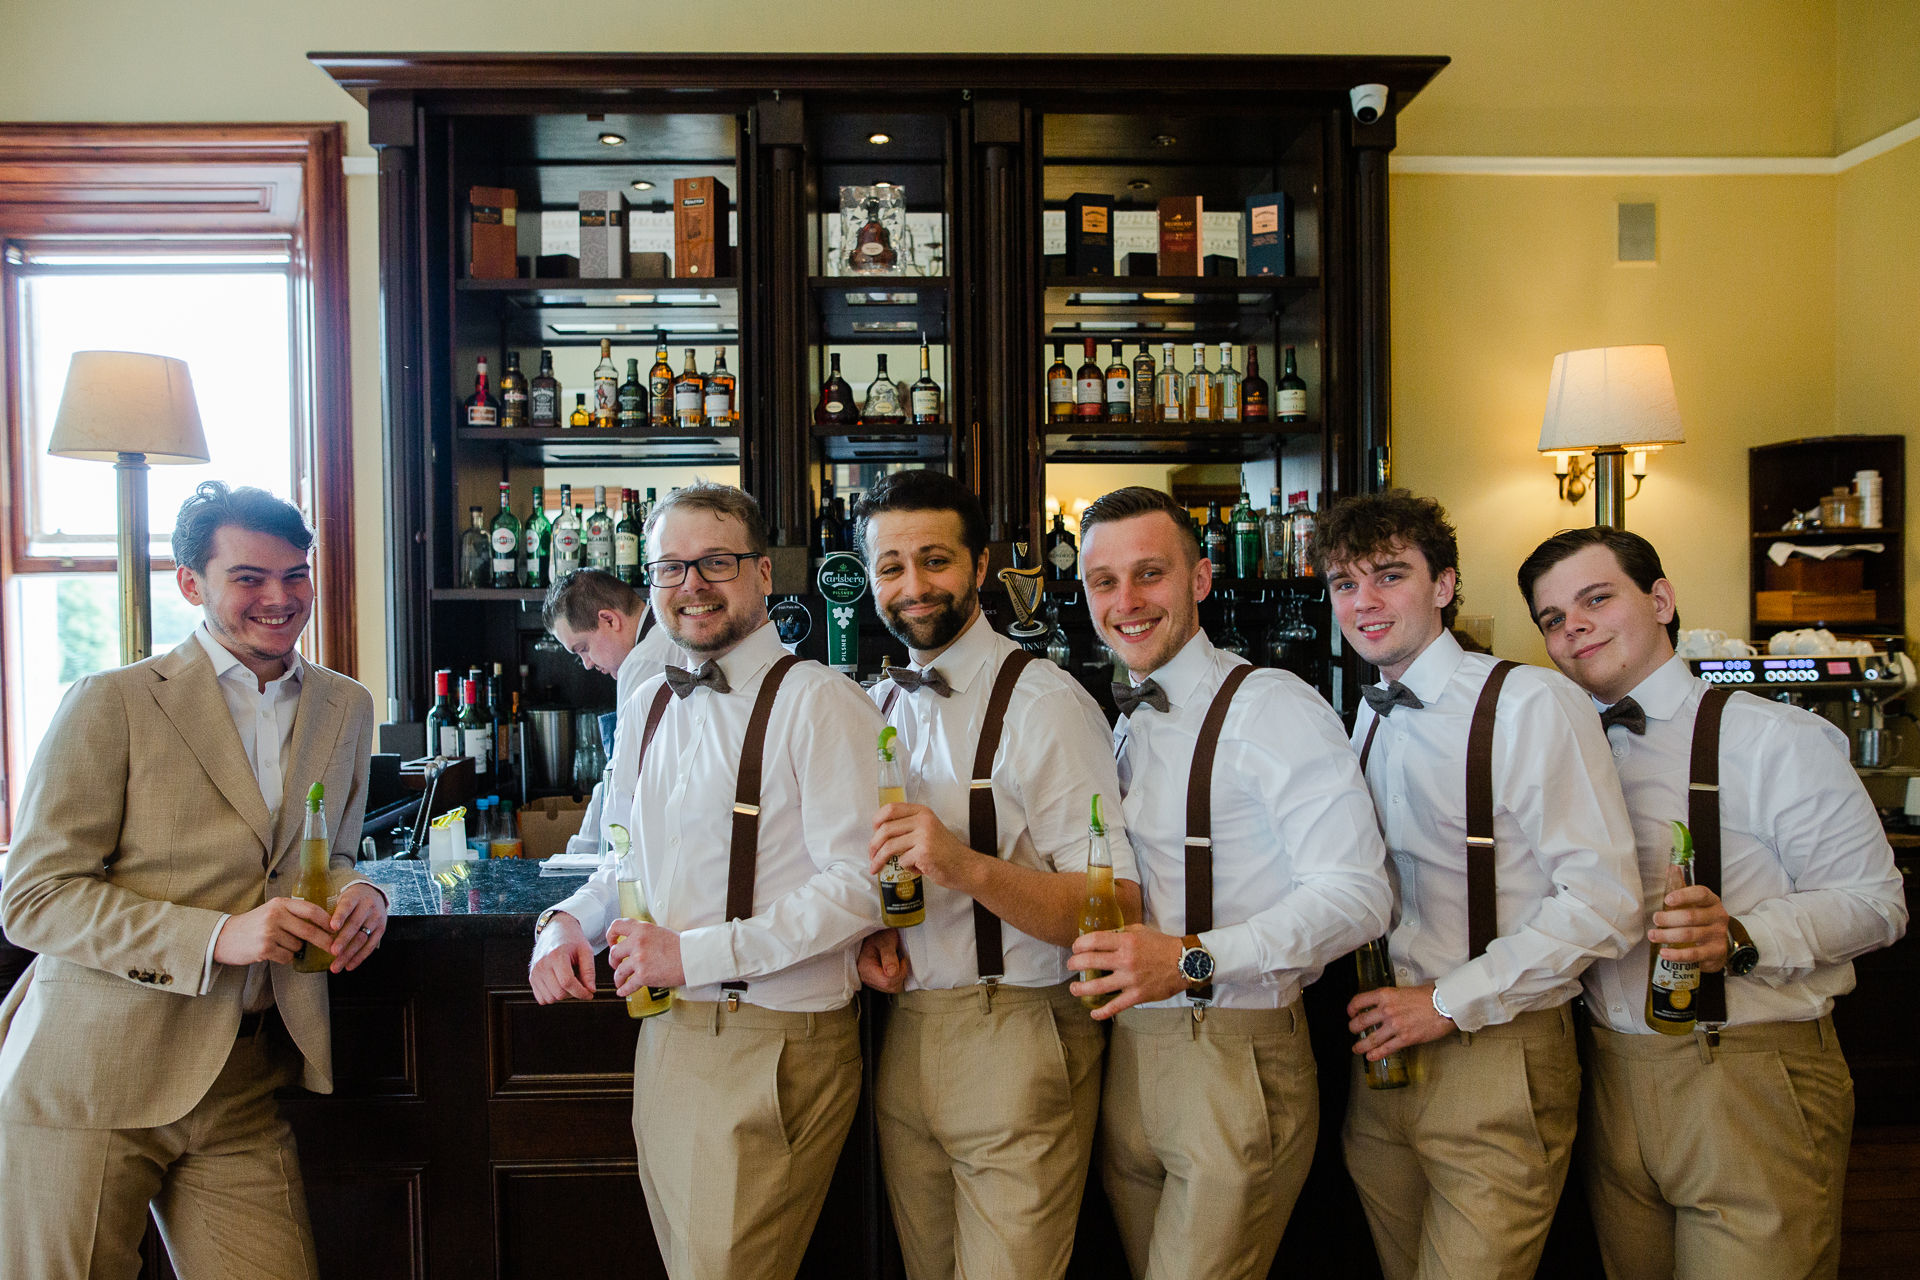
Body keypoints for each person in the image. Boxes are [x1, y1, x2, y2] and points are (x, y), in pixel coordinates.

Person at [0, 481, 386, 1280]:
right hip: (89, 1077)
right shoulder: (112, 702)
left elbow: (333, 852)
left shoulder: (345, 705)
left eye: (295, 575)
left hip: (244, 1080)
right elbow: (33, 896)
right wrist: (217, 935)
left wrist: (361, 894)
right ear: (191, 584)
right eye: (249, 578)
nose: (280, 599)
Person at [1518, 526, 1906, 1280]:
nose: (1576, 628)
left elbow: (1877, 902)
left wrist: (1743, 934)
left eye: (1597, 599)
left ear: (1660, 600)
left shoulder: (1776, 739)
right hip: (1606, 1074)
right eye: (1554, 619)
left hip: (1745, 1075)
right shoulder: (1556, 748)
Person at [1066, 486, 1393, 1280]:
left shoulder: (1273, 707)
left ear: (1202, 581)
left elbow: (1358, 896)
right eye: (1104, 582)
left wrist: (1189, 959)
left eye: (1151, 575)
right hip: (1130, 1059)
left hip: (1234, 1054)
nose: (1127, 601)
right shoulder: (1123, 719)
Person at [1314, 490, 1640, 1280]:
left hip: (1497, 1054)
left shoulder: (1531, 703)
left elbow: (1607, 902)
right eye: (1344, 584)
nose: (1365, 603)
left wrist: (1445, 1002)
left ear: (1445, 585)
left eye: (1389, 576)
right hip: (1383, 1063)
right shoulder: (1366, 715)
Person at [587, 482, 884, 1280]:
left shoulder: (821, 700)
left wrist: (694, 954)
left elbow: (862, 885)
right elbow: (624, 854)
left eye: (715, 562)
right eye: (672, 567)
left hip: (772, 1041)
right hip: (668, 1037)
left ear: (762, 573)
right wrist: (559, 923)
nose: (692, 585)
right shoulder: (649, 701)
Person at [853, 469, 1140, 1280]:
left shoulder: (1044, 702)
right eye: (891, 566)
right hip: (905, 1035)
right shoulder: (878, 708)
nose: (913, 586)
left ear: (979, 567)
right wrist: (873, 930)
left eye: (935, 560)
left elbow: (1115, 909)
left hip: (1016, 1032)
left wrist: (965, 864)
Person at [528, 569, 679, 1005]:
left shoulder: (646, 662)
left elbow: (620, 782)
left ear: (610, 620)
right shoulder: (652, 649)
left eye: (583, 648)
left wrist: (581, 850)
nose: (588, 664)